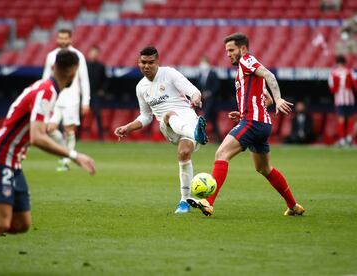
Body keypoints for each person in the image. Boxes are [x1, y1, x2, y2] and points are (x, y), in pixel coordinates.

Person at [0, 50, 96, 275]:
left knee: (21, 222)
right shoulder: (47, 92)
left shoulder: (45, 88)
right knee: (1, 224)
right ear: (74, 72)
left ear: (53, 66)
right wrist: (74, 155)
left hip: (12, 161)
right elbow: (36, 137)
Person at [187, 33, 305, 217]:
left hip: (253, 122)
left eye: (231, 50)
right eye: (227, 51)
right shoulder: (246, 71)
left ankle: (208, 202)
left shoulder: (247, 60)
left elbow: (269, 75)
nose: (228, 54)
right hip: (260, 123)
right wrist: (243, 112)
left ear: (242, 49)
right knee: (264, 169)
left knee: (221, 153)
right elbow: (264, 100)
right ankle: (293, 205)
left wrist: (279, 98)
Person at [114, 46, 208, 214]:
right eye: (143, 62)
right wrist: (128, 127)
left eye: (151, 62)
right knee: (168, 115)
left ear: (158, 61)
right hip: (168, 127)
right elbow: (146, 116)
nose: (147, 66)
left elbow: (192, 90)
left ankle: (184, 201)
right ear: (138, 62)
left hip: (188, 119)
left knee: (184, 153)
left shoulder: (169, 74)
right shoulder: (141, 87)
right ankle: (195, 134)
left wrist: (195, 98)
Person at [43, 28, 91, 171]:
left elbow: (84, 80)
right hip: (55, 98)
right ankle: (67, 152)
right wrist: (43, 97)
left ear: (70, 39)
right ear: (57, 39)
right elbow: (45, 77)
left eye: (65, 38)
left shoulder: (78, 56)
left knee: (69, 130)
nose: (63, 41)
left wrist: (85, 101)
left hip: (72, 98)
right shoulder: (51, 56)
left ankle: (65, 161)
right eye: (60, 38)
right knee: (49, 129)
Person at [328, 55, 357, 147]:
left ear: (337, 63)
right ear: (345, 62)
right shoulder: (350, 71)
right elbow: (355, 84)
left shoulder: (333, 73)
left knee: (341, 120)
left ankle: (342, 140)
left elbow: (332, 88)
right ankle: (349, 138)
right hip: (349, 98)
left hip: (339, 99)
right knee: (350, 119)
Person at [197, 56, 221, 143]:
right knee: (213, 121)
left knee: (205, 117)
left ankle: (202, 137)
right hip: (204, 101)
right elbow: (198, 86)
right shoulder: (200, 74)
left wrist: (209, 93)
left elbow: (217, 86)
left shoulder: (213, 73)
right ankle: (217, 138)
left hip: (212, 101)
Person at [86, 45, 108, 140]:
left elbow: (105, 80)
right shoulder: (84, 66)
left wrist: (102, 90)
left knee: (98, 114)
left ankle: (101, 137)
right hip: (85, 94)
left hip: (95, 94)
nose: (94, 55)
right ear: (89, 54)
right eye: (92, 53)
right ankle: (77, 136)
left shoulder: (101, 66)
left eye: (95, 53)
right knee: (80, 115)